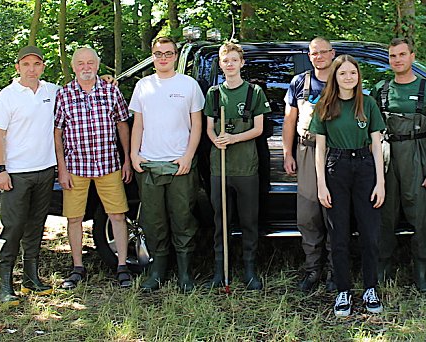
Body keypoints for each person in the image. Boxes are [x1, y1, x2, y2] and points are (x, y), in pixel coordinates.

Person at [311, 55, 386, 316]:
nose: (348, 78)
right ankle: (343, 290)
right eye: (342, 73)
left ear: (358, 76)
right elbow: (319, 149)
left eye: (352, 73)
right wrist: (322, 184)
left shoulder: (368, 104)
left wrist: (381, 182)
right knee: (339, 235)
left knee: (369, 234)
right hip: (336, 167)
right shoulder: (325, 105)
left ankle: (370, 288)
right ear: (335, 77)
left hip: (365, 167)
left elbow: (377, 145)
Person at [129, 37, 205, 293]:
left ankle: (185, 273)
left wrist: (187, 156)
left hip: (179, 165)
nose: (163, 58)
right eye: (158, 53)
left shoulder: (189, 85)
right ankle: (157, 272)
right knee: (153, 221)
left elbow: (197, 125)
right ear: (152, 56)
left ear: (175, 56)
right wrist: (134, 155)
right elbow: (137, 123)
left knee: (183, 219)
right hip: (149, 163)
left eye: (168, 53)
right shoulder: (143, 86)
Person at [374, 38, 426, 292]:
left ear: (412, 57)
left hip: (419, 154)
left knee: (423, 216)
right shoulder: (381, 89)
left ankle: (421, 270)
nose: (397, 60)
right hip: (387, 156)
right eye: (393, 56)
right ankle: (383, 265)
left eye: (402, 55)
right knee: (384, 213)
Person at [54, 47, 133, 289]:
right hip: (76, 166)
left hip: (108, 164)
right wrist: (62, 169)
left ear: (98, 65)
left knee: (118, 216)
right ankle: (77, 267)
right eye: (80, 63)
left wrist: (127, 159)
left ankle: (122, 266)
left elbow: (122, 125)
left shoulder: (111, 91)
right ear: (74, 67)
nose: (86, 67)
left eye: (90, 62)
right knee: (74, 218)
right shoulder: (64, 95)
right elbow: (57, 133)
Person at [0, 46, 59, 305]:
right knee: (13, 228)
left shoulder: (52, 91)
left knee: (35, 227)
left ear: (43, 66)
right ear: (18, 67)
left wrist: (106, 79)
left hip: (45, 171)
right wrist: (0, 170)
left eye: (37, 64)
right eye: (26, 64)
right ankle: (5, 285)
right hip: (16, 174)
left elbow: (81, 89)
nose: (32, 69)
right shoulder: (7, 96)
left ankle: (31, 279)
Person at [203, 42, 271, 290]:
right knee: (221, 220)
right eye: (225, 60)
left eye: (234, 60)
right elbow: (209, 128)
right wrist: (217, 140)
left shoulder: (254, 92)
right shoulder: (213, 94)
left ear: (242, 63)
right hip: (219, 167)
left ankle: (250, 270)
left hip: (246, 167)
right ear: (220, 64)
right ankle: (221, 270)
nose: (229, 64)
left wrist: (233, 138)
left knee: (248, 221)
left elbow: (259, 129)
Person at [283, 37, 336, 292]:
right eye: (314, 53)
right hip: (307, 149)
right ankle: (313, 268)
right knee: (308, 214)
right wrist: (287, 153)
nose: (319, 57)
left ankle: (335, 271)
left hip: (337, 152)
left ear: (332, 53)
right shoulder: (299, 82)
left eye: (324, 52)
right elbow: (289, 120)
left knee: (335, 213)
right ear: (310, 55)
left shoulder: (343, 79)